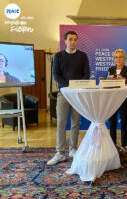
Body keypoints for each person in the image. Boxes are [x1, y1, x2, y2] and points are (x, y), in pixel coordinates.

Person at [47, 31, 90, 166]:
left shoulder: (82, 56)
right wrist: (69, 87)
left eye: (75, 39)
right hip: (64, 94)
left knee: (76, 122)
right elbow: (56, 75)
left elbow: (86, 74)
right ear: (65, 41)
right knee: (61, 123)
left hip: (78, 94)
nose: (72, 42)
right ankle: (60, 152)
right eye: (70, 39)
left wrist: (76, 88)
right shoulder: (58, 56)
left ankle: (73, 148)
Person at [107, 49, 127, 151]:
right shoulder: (110, 70)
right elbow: (106, 85)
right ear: (114, 59)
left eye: (120, 57)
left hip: (124, 101)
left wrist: (124, 80)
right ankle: (113, 146)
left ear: (124, 58)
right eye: (116, 57)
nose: (118, 59)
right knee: (112, 123)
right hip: (112, 101)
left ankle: (123, 146)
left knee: (124, 123)